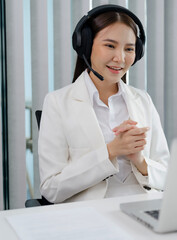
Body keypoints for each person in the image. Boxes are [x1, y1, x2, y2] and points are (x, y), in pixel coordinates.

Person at [38, 5, 170, 203]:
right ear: (86, 45)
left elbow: (168, 177)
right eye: (110, 46)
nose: (120, 58)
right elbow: (51, 189)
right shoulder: (57, 103)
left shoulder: (143, 100)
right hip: (90, 214)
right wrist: (111, 151)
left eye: (129, 49)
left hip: (144, 207)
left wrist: (140, 161)